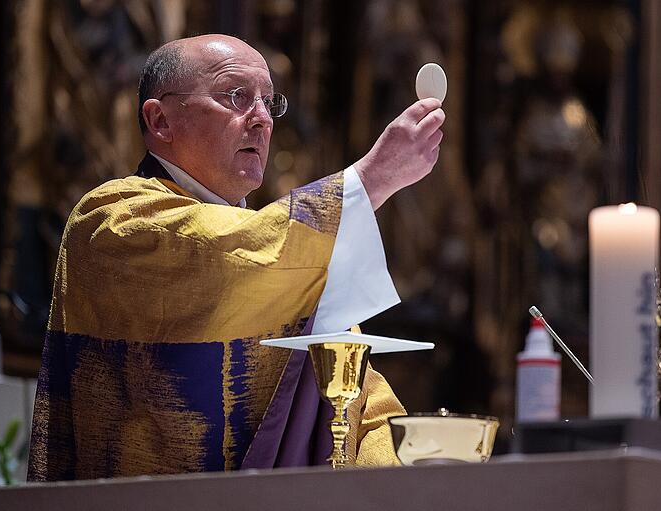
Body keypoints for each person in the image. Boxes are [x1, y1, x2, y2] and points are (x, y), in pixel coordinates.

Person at [27, 34, 445, 481]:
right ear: (161, 119)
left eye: (269, 102)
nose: (262, 119)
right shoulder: (111, 219)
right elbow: (217, 258)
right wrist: (370, 178)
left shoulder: (288, 267)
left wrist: (420, 469)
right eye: (236, 97)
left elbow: (360, 400)